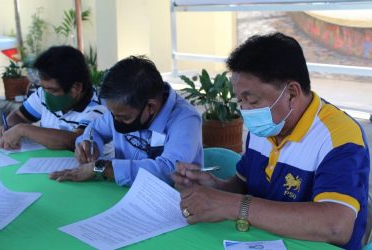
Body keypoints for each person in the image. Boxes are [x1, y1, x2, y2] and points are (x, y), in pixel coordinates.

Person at [172, 33, 370, 250]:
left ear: (292, 93)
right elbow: (244, 184)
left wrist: (232, 205)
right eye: (240, 100)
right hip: (259, 240)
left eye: (252, 100)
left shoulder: (339, 137)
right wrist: (215, 187)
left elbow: (336, 226)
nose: (245, 110)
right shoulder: (266, 125)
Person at [49, 56, 203, 186]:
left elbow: (169, 170)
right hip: (125, 193)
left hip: (171, 201)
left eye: (123, 117)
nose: (115, 120)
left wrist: (103, 167)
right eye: (112, 114)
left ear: (150, 106)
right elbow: (94, 129)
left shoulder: (185, 120)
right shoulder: (123, 108)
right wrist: (88, 144)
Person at [0, 46, 107, 151]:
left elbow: (75, 140)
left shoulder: (98, 108)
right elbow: (19, 115)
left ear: (76, 88)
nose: (46, 94)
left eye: (53, 90)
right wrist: (10, 127)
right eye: (44, 88)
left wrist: (22, 129)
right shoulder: (44, 92)